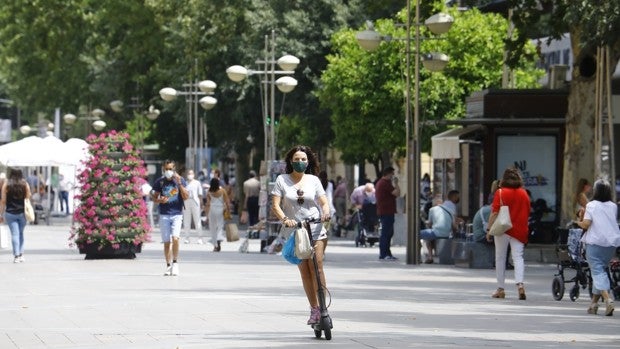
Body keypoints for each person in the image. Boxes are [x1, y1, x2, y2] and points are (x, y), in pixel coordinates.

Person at [271, 145, 331, 325]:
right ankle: (314, 309)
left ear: (308, 161)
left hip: (315, 228)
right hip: (295, 231)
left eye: (303, 159)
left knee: (317, 266)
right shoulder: (282, 180)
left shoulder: (313, 180)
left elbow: (324, 202)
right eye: (296, 159)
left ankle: (323, 307)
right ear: (291, 161)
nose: (300, 162)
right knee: (305, 270)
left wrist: (326, 212)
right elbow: (275, 205)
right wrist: (284, 219)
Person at [576, 178, 620, 316]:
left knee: (597, 272)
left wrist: (578, 221)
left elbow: (586, 224)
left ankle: (608, 300)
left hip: (595, 243)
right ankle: (593, 305)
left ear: (596, 191)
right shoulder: (613, 206)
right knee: (600, 270)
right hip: (611, 244)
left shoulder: (592, 205)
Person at [486, 168, 530, 300]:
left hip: (502, 228)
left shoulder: (500, 192)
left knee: (500, 257)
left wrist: (489, 229)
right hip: (519, 229)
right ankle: (520, 285)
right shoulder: (524, 193)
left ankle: (500, 289)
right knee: (518, 257)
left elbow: (494, 212)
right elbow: (528, 211)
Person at [151, 160, 189, 276]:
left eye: (170, 169)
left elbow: (186, 196)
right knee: (167, 242)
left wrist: (179, 184)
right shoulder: (160, 182)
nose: (168, 171)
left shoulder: (180, 180)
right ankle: (168, 266)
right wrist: (159, 200)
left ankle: (175, 262)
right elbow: (154, 198)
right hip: (164, 214)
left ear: (174, 169)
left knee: (176, 238)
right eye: (166, 169)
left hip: (177, 214)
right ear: (163, 169)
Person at [0, 168, 32, 263]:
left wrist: (1, 214)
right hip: (22, 213)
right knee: (21, 233)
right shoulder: (24, 184)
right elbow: (28, 196)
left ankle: (16, 256)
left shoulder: (7, 185)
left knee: (15, 234)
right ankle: (21, 254)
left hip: (10, 213)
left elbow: (3, 201)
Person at [375, 166, 401, 261]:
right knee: (386, 233)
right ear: (388, 174)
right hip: (387, 211)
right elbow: (397, 193)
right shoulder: (385, 183)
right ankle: (384, 254)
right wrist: (397, 184)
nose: (393, 176)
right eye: (392, 174)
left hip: (386, 211)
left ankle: (387, 253)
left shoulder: (381, 183)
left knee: (388, 233)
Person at [420, 196, 453, 263]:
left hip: (436, 232)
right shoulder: (450, 210)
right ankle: (430, 256)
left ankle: (425, 257)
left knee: (416, 234)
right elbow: (453, 224)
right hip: (447, 233)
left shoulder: (432, 209)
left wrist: (424, 221)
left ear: (435, 202)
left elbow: (429, 223)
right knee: (429, 237)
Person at [204, 177, 230, 252]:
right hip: (220, 210)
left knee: (212, 227)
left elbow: (208, 204)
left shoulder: (209, 192)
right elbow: (227, 202)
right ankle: (219, 238)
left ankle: (215, 245)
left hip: (212, 210)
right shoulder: (222, 191)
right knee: (220, 226)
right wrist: (228, 210)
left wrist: (206, 215)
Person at [182, 169, 204, 244]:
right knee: (186, 220)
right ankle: (187, 237)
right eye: (188, 173)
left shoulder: (197, 183)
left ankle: (200, 237)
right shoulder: (184, 183)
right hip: (186, 202)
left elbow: (200, 194)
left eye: (191, 173)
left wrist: (201, 203)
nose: (190, 175)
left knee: (197, 219)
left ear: (194, 174)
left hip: (195, 201)